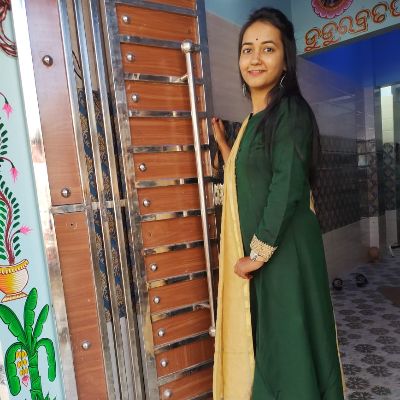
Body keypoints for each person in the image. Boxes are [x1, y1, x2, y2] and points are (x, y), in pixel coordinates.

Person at [211, 7, 346, 400]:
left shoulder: (290, 111)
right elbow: (249, 175)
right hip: (266, 255)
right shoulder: (254, 121)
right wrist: (224, 147)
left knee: (289, 348)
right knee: (272, 344)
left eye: (268, 49)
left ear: (286, 60)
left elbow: (285, 186)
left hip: (283, 253)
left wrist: (257, 254)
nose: (255, 58)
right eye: (247, 49)